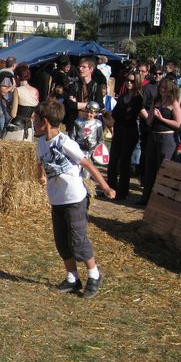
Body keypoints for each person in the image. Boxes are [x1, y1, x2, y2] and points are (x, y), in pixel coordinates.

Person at [33, 100, 115, 299]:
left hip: (75, 199)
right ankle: (72, 278)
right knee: (62, 242)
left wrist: (105, 186)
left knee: (78, 241)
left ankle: (94, 275)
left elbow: (86, 163)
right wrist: (40, 175)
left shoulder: (65, 142)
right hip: (57, 199)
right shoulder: (41, 142)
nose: (33, 123)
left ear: (44, 122)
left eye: (35, 120)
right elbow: (39, 162)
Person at [139, 77, 181, 205]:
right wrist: (152, 114)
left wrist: (162, 118)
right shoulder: (157, 101)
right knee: (149, 167)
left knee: (162, 168)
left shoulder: (174, 103)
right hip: (153, 136)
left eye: (165, 87)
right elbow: (148, 121)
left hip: (166, 138)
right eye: (161, 87)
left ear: (170, 89)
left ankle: (160, 199)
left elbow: (178, 123)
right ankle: (146, 197)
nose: (162, 89)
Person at [107, 73, 144, 200]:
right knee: (113, 160)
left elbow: (129, 116)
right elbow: (116, 114)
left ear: (137, 83)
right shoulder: (123, 96)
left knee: (124, 162)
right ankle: (110, 188)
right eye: (127, 80)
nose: (129, 83)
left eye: (132, 81)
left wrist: (119, 115)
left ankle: (122, 191)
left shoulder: (138, 98)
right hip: (119, 130)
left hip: (130, 131)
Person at [3, 63, 39, 141]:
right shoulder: (36, 91)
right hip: (29, 128)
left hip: (16, 128)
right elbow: (33, 115)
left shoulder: (17, 90)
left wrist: (7, 106)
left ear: (17, 77)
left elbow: (13, 114)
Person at [70, 101, 104, 174]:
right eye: (87, 112)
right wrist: (73, 150)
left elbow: (100, 140)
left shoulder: (98, 124)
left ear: (96, 113)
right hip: (79, 150)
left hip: (90, 152)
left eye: (91, 113)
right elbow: (72, 137)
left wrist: (96, 152)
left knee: (87, 173)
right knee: (76, 172)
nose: (88, 114)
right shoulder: (78, 122)